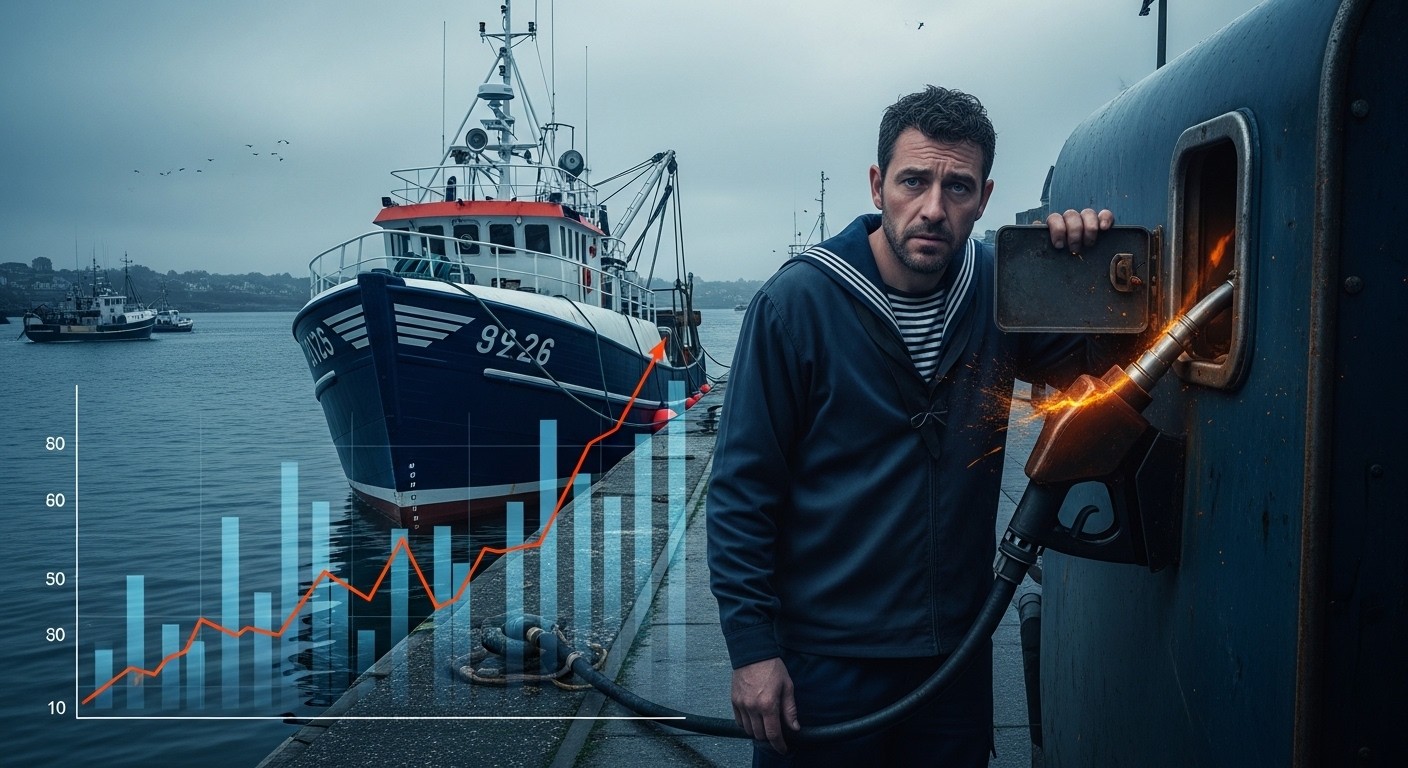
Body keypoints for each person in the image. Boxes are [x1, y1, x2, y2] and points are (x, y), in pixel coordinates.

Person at [706, 85, 1119, 766]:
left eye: (957, 186)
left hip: (952, 657)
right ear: (877, 185)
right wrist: (753, 650)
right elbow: (743, 491)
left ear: (983, 198)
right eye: (913, 180)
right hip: (824, 662)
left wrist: (1089, 271)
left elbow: (1103, 365)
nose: (934, 207)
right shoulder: (796, 305)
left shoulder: (997, 291)